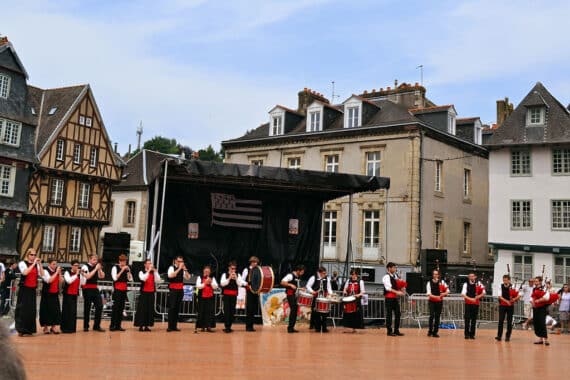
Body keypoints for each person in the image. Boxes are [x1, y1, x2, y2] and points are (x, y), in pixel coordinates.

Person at [15, 248, 44, 336]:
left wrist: (40, 264)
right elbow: (25, 273)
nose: (33, 256)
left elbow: (42, 275)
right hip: (24, 289)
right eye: (32, 255)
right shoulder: (22, 263)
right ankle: (21, 329)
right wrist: (34, 263)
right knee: (22, 309)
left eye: (35, 255)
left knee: (31, 310)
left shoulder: (36, 265)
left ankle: (29, 329)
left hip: (32, 289)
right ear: (27, 255)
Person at [134, 259, 161, 332]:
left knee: (149, 310)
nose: (150, 265)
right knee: (142, 310)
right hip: (144, 293)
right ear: (145, 265)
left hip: (151, 293)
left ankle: (146, 326)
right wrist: (148, 271)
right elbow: (143, 279)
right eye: (148, 263)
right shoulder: (141, 272)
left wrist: (155, 272)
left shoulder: (153, 272)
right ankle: (141, 325)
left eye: (150, 263)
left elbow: (158, 280)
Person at [81, 254, 106, 332]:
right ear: (90, 259)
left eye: (96, 260)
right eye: (94, 259)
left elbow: (102, 276)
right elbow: (88, 277)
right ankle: (86, 326)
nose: (96, 261)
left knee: (99, 306)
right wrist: (95, 269)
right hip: (87, 288)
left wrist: (99, 269)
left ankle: (96, 325)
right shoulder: (84, 267)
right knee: (87, 308)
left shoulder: (97, 267)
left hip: (95, 288)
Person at [167, 255, 190, 332]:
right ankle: (170, 326)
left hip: (180, 290)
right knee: (172, 308)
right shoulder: (171, 267)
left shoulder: (183, 269)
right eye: (179, 261)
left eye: (182, 261)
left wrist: (185, 270)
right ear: (175, 261)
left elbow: (188, 277)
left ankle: (174, 326)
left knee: (177, 308)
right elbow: (170, 275)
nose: (181, 263)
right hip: (173, 290)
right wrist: (179, 268)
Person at [110, 254, 133, 331]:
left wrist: (129, 272)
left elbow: (130, 279)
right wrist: (122, 270)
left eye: (125, 261)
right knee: (115, 308)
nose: (124, 263)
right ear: (119, 261)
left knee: (121, 308)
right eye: (123, 261)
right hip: (117, 290)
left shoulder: (127, 269)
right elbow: (115, 278)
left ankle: (118, 325)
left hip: (124, 290)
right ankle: (112, 325)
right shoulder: (115, 267)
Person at [306, 266, 333, 333]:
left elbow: (329, 287)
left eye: (325, 273)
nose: (324, 275)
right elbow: (308, 286)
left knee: (325, 313)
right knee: (316, 313)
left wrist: (331, 293)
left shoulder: (327, 278)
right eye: (323, 273)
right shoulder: (313, 277)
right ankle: (317, 328)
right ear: (319, 273)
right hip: (316, 297)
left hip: (324, 297)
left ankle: (324, 328)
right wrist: (312, 291)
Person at [39, 258, 62, 334]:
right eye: (53, 264)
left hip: (54, 293)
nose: (55, 266)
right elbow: (49, 280)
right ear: (49, 264)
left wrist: (59, 273)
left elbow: (61, 281)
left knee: (55, 310)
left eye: (56, 264)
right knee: (46, 310)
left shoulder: (56, 271)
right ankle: (45, 327)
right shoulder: (45, 271)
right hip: (47, 294)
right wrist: (56, 273)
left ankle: (53, 326)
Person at [220, 261, 244, 333]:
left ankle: (230, 326)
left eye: (234, 269)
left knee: (232, 311)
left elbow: (240, 284)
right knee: (227, 311)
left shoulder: (238, 275)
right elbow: (222, 284)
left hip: (233, 295)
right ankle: (227, 326)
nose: (233, 270)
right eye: (232, 268)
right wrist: (229, 278)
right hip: (226, 295)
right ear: (229, 268)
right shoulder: (225, 275)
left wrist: (236, 278)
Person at [383, 262, 406, 336]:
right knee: (389, 315)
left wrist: (402, 289)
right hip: (389, 298)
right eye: (394, 267)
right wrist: (397, 292)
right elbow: (388, 288)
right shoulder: (386, 277)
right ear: (389, 268)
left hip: (394, 298)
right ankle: (389, 331)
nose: (395, 269)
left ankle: (396, 330)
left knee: (398, 313)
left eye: (395, 267)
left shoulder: (395, 276)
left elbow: (398, 284)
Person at [280, 265, 305, 333]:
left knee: (295, 310)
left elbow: (295, 286)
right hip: (290, 294)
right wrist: (290, 285)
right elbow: (282, 282)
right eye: (301, 272)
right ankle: (290, 328)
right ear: (298, 271)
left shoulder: (297, 276)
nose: (302, 273)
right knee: (293, 309)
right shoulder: (290, 275)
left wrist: (300, 288)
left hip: (294, 294)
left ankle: (292, 327)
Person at [495, 274, 520, 342]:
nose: (504, 281)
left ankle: (507, 336)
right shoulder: (500, 286)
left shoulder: (514, 286)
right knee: (500, 320)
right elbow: (500, 296)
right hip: (502, 305)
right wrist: (507, 301)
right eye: (503, 280)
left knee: (509, 322)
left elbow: (518, 295)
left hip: (510, 306)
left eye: (506, 280)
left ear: (509, 280)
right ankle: (499, 336)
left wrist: (514, 299)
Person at [461, 272, 485, 340]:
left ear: (475, 277)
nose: (471, 277)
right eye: (470, 276)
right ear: (469, 277)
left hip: (476, 304)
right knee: (467, 319)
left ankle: (472, 334)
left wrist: (477, 297)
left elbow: (484, 292)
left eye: (472, 276)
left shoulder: (479, 283)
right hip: (468, 304)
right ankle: (466, 334)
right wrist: (471, 299)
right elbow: (463, 294)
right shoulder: (466, 284)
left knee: (474, 320)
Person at [426, 269, 449, 338]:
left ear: (438, 275)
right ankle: (430, 331)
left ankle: (435, 332)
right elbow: (429, 294)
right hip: (432, 301)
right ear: (432, 275)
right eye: (434, 274)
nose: (435, 275)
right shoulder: (429, 283)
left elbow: (448, 291)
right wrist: (437, 297)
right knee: (432, 315)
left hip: (439, 302)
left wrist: (443, 294)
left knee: (437, 317)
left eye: (436, 274)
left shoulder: (442, 282)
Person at [195, 265, 218, 333]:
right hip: (202, 297)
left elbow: (215, 287)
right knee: (202, 311)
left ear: (210, 272)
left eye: (208, 271)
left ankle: (209, 326)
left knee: (209, 312)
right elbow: (198, 286)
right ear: (203, 271)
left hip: (210, 297)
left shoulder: (212, 278)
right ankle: (202, 326)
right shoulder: (200, 277)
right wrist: (205, 283)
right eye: (205, 271)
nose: (207, 272)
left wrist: (210, 282)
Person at [61, 260, 82, 333]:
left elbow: (81, 283)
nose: (77, 267)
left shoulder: (78, 274)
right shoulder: (67, 272)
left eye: (78, 265)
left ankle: (72, 328)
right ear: (72, 266)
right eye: (75, 265)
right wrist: (76, 274)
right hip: (67, 294)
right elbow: (69, 281)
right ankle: (65, 328)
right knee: (67, 311)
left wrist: (82, 275)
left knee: (73, 312)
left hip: (74, 294)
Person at [241, 256, 260, 332]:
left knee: (254, 309)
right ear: (251, 262)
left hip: (255, 291)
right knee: (250, 309)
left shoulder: (258, 270)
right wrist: (247, 284)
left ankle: (251, 325)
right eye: (254, 262)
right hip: (249, 291)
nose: (255, 264)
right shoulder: (246, 270)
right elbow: (242, 280)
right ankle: (248, 326)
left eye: (256, 262)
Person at [531, 276, 551, 346]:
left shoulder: (544, 288)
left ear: (540, 281)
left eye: (536, 281)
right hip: (535, 307)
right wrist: (532, 303)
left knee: (542, 323)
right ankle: (540, 339)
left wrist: (539, 300)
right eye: (535, 281)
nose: (535, 282)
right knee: (537, 323)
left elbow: (547, 297)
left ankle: (546, 339)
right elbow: (533, 297)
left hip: (542, 308)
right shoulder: (534, 289)